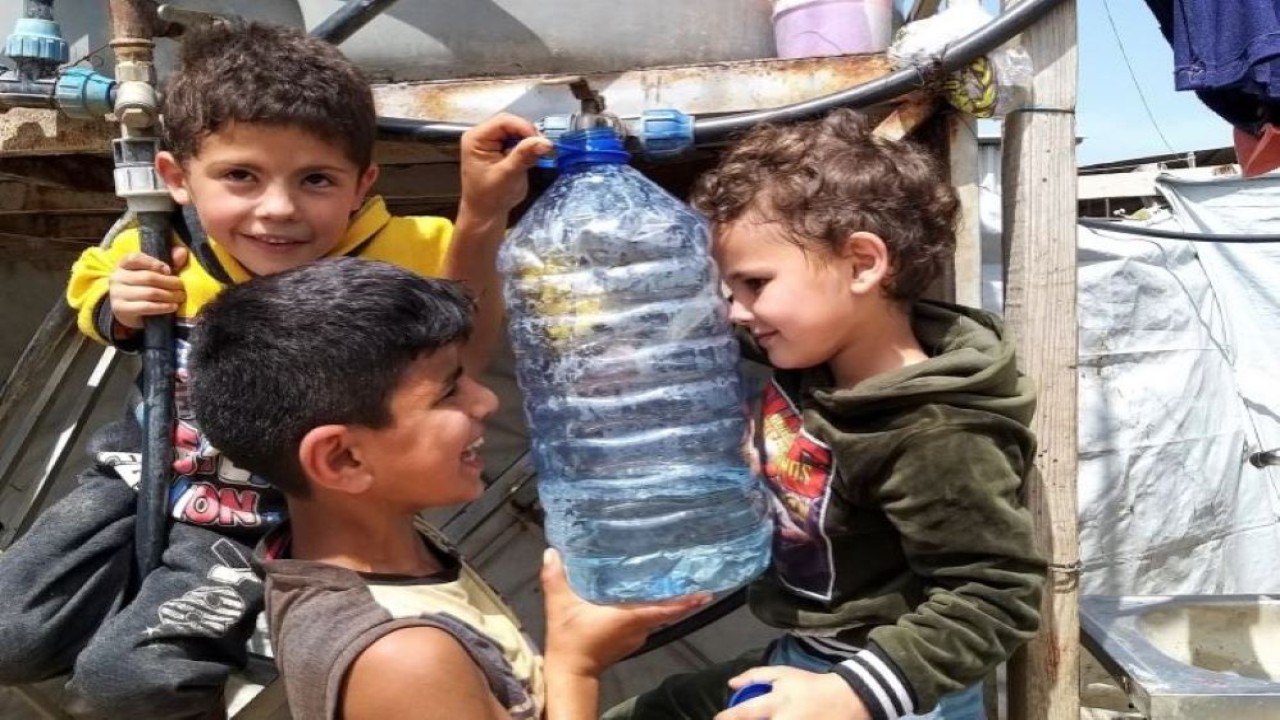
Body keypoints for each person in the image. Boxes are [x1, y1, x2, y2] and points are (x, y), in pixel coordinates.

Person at [0, 20, 550, 719]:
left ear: (362, 185)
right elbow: (92, 285)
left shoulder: (397, 252)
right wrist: (123, 306)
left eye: (316, 179)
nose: (279, 210)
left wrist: (481, 214)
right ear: (175, 178)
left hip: (246, 517)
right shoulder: (161, 248)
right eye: (240, 177)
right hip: (136, 478)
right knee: (10, 635)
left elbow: (463, 325)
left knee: (129, 681)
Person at [605, 108, 1047, 720]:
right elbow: (713, 336)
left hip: (886, 688)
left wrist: (850, 695)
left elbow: (994, 597)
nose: (736, 312)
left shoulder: (935, 432)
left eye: (754, 284)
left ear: (862, 263)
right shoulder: (814, 355)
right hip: (810, 654)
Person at [187, 257, 704, 719]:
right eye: (450, 390)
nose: (486, 403)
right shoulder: (402, 658)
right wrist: (578, 664)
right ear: (343, 458)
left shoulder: (382, 537)